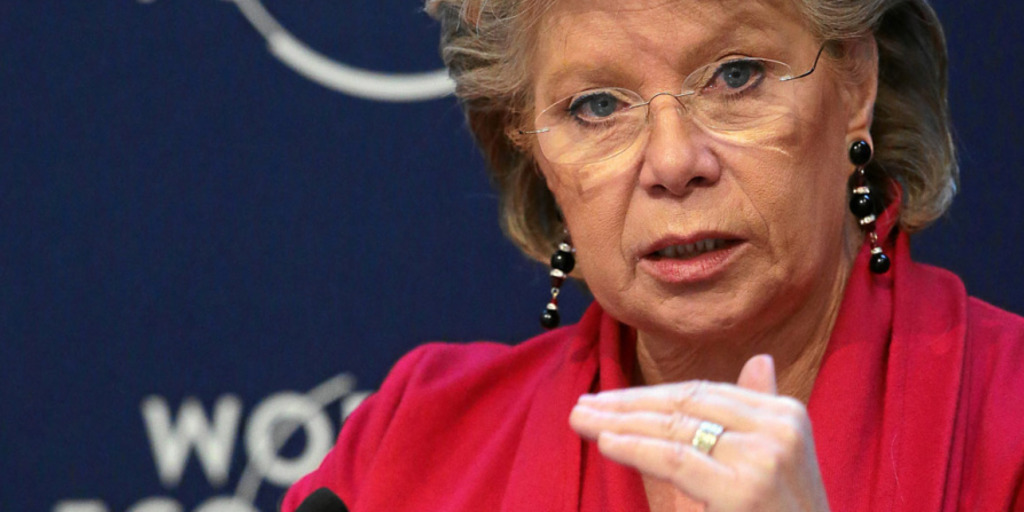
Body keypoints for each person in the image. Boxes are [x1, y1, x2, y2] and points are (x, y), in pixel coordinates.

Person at [282, 0, 1024, 510]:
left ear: (855, 82)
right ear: (528, 142)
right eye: (597, 106)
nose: (674, 161)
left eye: (738, 75)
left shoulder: (1008, 420)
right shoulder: (408, 453)